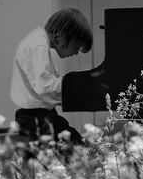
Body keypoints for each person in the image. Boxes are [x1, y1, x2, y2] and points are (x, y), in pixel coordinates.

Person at [10, 8, 93, 145]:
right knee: (78, 147)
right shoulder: (38, 45)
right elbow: (45, 87)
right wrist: (77, 85)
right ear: (65, 35)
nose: (76, 53)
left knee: (78, 143)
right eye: (76, 47)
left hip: (37, 116)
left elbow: (51, 82)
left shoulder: (38, 42)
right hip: (34, 118)